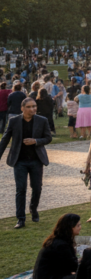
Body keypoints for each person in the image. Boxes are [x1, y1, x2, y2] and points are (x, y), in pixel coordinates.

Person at [0, 98, 51, 229]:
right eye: (29, 107)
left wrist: (36, 141)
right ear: (22, 108)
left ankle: (33, 209)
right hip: (19, 161)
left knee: (37, 188)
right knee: (20, 189)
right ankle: (21, 219)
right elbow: (5, 139)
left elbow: (48, 138)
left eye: (34, 106)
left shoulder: (42, 120)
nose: (32, 109)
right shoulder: (14, 121)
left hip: (36, 160)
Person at [33, 213, 81, 279]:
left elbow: (67, 264)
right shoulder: (61, 245)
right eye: (78, 225)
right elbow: (74, 267)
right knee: (87, 276)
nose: (80, 227)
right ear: (70, 228)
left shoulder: (58, 240)